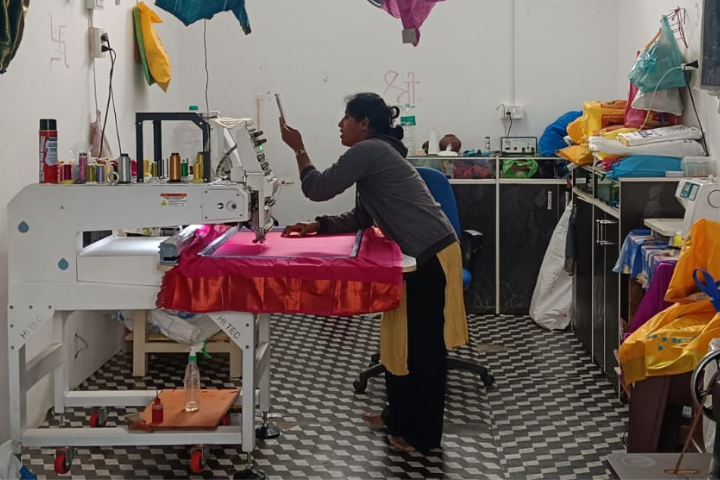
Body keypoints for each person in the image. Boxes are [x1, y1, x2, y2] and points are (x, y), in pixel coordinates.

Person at [279, 92, 468, 453]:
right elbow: (363, 217)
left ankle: (423, 437)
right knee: (399, 336)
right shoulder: (378, 154)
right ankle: (397, 415)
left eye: (345, 118)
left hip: (432, 256)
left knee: (425, 350)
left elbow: (317, 187)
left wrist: (299, 148)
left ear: (363, 123)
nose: (339, 125)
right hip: (416, 256)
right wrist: (317, 227)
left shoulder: (368, 152)